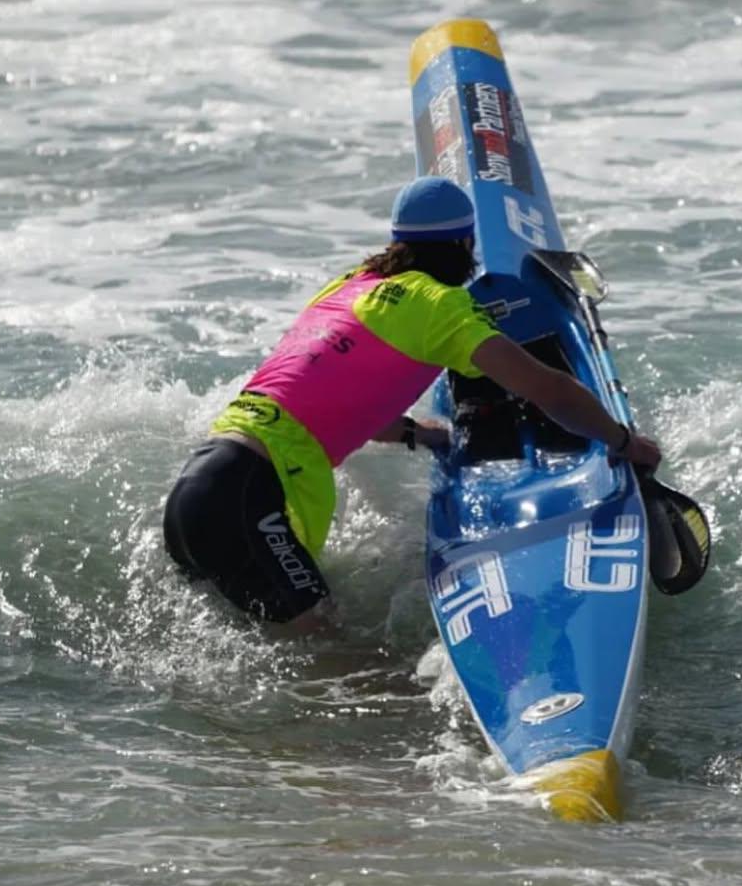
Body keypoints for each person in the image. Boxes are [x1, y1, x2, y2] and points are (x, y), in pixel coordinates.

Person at [163, 176, 662, 634]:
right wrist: (623, 440)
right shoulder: (439, 305)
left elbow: (333, 395)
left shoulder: (352, 285)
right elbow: (545, 388)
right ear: (466, 244)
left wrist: (416, 434)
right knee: (330, 658)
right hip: (245, 496)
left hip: (200, 483)